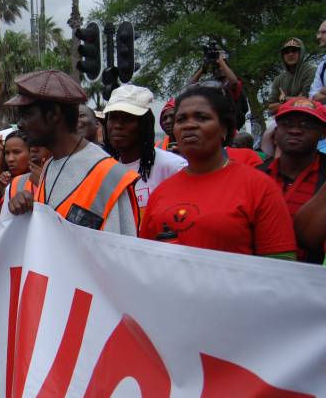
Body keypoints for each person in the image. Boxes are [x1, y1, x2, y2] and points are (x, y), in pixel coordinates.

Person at [140, 85, 296, 258]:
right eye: (181, 119)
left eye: (202, 117)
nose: (189, 125)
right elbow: (146, 262)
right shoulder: (161, 193)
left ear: (225, 129)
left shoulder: (259, 187)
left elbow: (282, 267)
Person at [7, 70, 140, 236]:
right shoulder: (50, 165)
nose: (20, 124)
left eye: (26, 115)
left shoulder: (109, 175)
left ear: (53, 115)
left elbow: (120, 253)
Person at [257, 98, 326, 263]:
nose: (295, 130)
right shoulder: (255, 176)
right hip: (257, 277)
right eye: (287, 123)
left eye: (306, 125)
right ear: (276, 131)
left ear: (323, 133)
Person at [103, 85, 187, 214]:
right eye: (113, 118)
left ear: (144, 124)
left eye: (127, 118)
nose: (118, 125)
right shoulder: (104, 170)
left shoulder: (173, 167)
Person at [267, 38, 316, 114]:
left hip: (307, 117)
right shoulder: (278, 79)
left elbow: (308, 100)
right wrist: (297, 99)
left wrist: (284, 99)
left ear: (301, 53)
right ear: (283, 56)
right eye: (286, 52)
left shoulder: (310, 71)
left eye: (294, 51)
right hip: (284, 119)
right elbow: (271, 107)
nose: (290, 54)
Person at [308, 20, 326, 103]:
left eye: (323, 32)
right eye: (318, 33)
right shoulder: (322, 65)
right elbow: (313, 97)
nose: (318, 37)